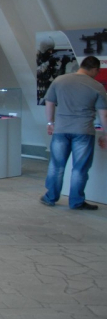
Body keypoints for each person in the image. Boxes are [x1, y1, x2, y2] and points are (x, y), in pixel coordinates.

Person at [41, 56, 107, 210]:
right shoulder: (97, 86)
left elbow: (49, 102)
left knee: (56, 166)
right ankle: (76, 202)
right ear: (94, 69)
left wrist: (50, 123)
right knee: (80, 168)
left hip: (61, 130)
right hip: (83, 131)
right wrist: (106, 134)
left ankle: (50, 197)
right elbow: (103, 114)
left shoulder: (59, 80)